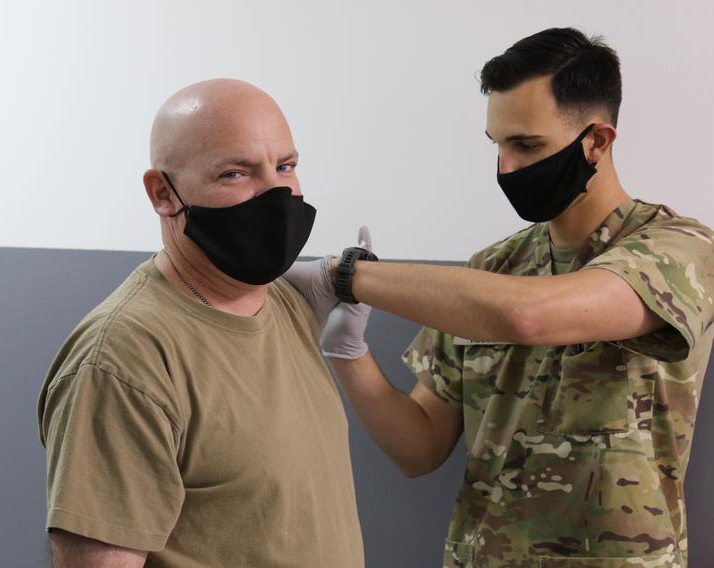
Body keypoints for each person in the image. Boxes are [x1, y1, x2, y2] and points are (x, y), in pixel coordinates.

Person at [287, 28, 713, 567]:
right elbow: (417, 450)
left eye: (527, 145)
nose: (506, 168)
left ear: (598, 141)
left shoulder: (680, 251)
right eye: (498, 144)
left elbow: (529, 316)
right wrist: (349, 355)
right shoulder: (493, 269)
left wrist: (344, 275)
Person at [36, 79, 364, 568]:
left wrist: (359, 283)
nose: (277, 192)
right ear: (162, 193)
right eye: (235, 173)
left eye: (285, 166)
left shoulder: (285, 303)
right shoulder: (125, 359)